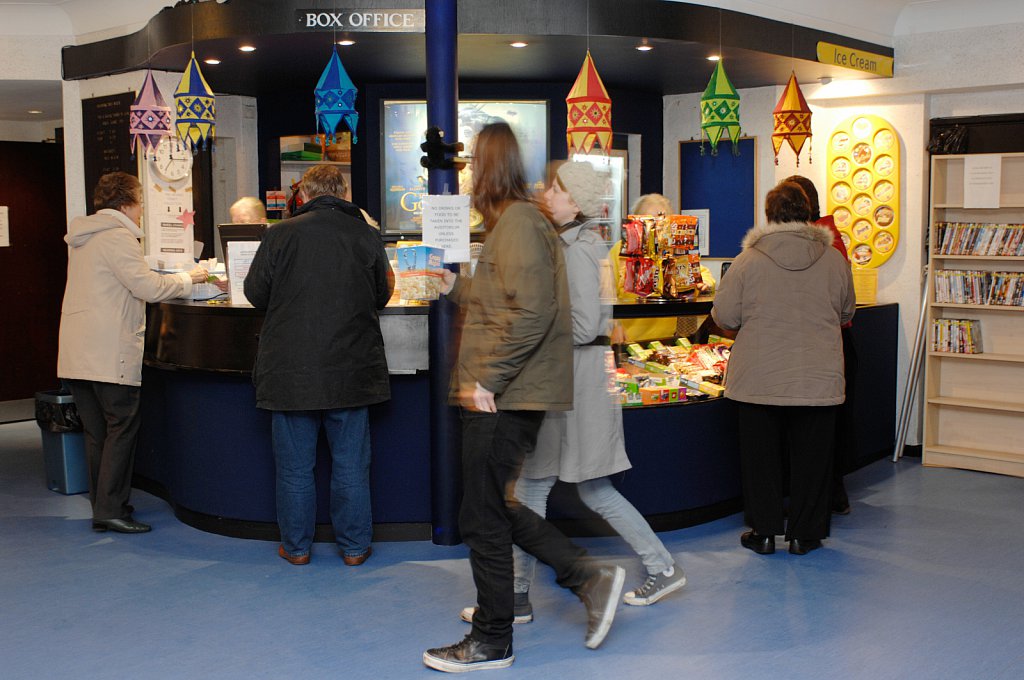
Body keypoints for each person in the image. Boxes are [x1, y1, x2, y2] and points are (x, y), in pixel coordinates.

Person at [423, 123, 625, 673]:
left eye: (472, 165)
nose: (468, 175)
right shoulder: (516, 223)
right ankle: (586, 576)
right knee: (489, 507)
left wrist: (489, 380)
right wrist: (456, 287)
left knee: (482, 517)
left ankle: (493, 639)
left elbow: (535, 313)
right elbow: (505, 300)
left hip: (504, 394)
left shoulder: (517, 222)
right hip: (504, 390)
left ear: (489, 167)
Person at [501, 162, 687, 615]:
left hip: (576, 381)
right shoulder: (577, 244)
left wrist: (530, 324)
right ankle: (515, 595)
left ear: (576, 201)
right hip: (570, 380)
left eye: (557, 189)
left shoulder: (579, 251)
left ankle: (661, 567)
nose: (547, 193)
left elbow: (584, 326)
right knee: (541, 487)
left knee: (567, 488)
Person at [244, 164, 393, 567]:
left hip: (290, 371)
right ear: (343, 193)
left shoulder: (280, 234)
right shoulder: (365, 234)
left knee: (294, 468)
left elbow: (255, 294)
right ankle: (355, 548)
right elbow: (382, 293)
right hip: (351, 368)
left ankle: (296, 549)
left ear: (304, 195)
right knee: (351, 465)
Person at [57, 171, 207, 533]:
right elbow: (147, 287)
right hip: (109, 351)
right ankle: (111, 510)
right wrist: (189, 279)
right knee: (121, 427)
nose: (141, 210)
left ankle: (103, 506)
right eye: (140, 202)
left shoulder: (83, 236)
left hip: (78, 351)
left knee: (96, 434)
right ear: (126, 204)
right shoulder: (118, 236)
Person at [711, 180, 855, 556]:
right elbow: (846, 312)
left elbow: (725, 316)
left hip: (759, 376)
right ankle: (806, 535)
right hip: (819, 376)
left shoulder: (747, 261)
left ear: (769, 215)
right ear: (808, 214)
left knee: (761, 458)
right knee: (813, 459)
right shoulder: (835, 260)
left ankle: (764, 532)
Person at [785, 174, 856, 515]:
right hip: (834, 343)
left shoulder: (819, 244)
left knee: (819, 431)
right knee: (828, 429)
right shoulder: (830, 238)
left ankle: (822, 500)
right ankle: (828, 497)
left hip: (824, 344)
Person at [610, 193, 715, 343]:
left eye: (662, 221)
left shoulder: (675, 250)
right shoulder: (621, 251)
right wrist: (614, 325)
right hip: (628, 340)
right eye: (649, 221)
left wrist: (704, 283)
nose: (655, 227)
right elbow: (604, 294)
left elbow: (703, 275)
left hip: (665, 340)